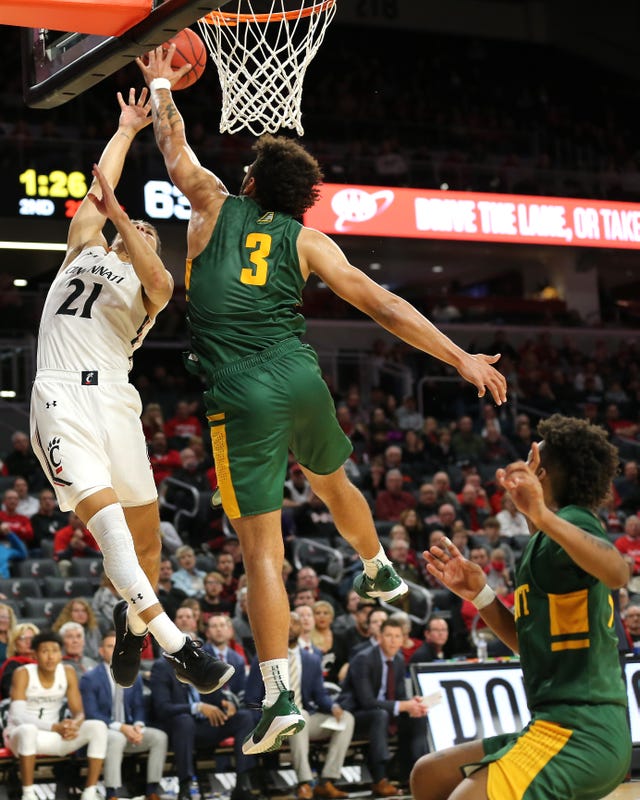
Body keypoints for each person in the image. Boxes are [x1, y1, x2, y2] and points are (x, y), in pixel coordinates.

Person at [138, 45, 507, 755]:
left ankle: (279, 694)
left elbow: (172, 139)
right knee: (333, 480)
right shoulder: (309, 240)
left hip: (240, 391)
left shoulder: (213, 203)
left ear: (249, 178)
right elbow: (384, 304)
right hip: (300, 376)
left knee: (260, 552)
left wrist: (160, 80)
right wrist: (458, 356)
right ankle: (377, 568)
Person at [28, 89, 230, 696]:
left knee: (147, 546)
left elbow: (156, 271)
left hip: (116, 400)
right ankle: (178, 646)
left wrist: (124, 217)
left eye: (146, 229)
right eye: (129, 224)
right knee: (113, 531)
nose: (137, 228)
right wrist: (125, 129)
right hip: (61, 397)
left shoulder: (154, 284)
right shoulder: (83, 247)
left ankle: (129, 615)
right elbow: (97, 188)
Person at [411, 414, 632, 800]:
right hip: (551, 724)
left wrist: (542, 515)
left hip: (586, 732)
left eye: (532, 464)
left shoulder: (573, 520)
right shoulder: (541, 545)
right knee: (429, 776)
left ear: (541, 475)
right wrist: (480, 596)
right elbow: (527, 646)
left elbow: (617, 572)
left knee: (467, 797)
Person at [148, 605, 258, 800]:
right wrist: (196, 707)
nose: (190, 651)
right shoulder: (161, 668)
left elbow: (214, 697)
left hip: (206, 727)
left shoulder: (201, 665)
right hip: (178, 730)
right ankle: (185, 786)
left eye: (190, 646)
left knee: (244, 717)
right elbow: (162, 708)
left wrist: (226, 704)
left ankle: (243, 781)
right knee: (185, 721)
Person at [245, 611, 355, 800]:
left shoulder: (312, 659)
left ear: (301, 628)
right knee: (300, 714)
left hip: (304, 719)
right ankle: (304, 783)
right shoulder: (264, 657)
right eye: (285, 623)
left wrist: (332, 707)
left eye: (294, 624)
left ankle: (327, 780)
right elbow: (251, 697)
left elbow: (320, 695)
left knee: (347, 718)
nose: (289, 628)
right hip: (274, 722)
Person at [3, 631, 108, 800]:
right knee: (28, 729)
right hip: (20, 736)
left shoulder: (67, 672)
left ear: (61, 654)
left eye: (55, 651)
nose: (50, 656)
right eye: (45, 651)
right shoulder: (22, 673)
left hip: (56, 735)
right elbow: (17, 716)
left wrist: (75, 724)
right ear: (35, 654)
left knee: (98, 727)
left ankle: (89, 792)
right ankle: (28, 794)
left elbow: (79, 712)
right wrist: (54, 727)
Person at [338, 617, 429, 794]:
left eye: (397, 636)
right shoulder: (363, 659)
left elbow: (401, 696)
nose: (393, 640)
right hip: (356, 714)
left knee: (418, 716)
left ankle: (415, 774)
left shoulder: (399, 660)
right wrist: (404, 705)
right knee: (380, 715)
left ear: (403, 639)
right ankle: (380, 779)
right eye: (389, 635)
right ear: (379, 638)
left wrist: (413, 703)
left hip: (384, 712)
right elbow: (367, 701)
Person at [80, 630, 168, 800]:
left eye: (118, 646)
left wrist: (138, 725)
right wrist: (122, 728)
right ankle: (112, 793)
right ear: (101, 651)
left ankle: (152, 790)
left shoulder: (134, 674)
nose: (114, 650)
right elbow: (92, 714)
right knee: (117, 737)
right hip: (102, 733)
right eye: (109, 646)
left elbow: (139, 706)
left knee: (160, 737)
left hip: (129, 730)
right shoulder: (90, 678)